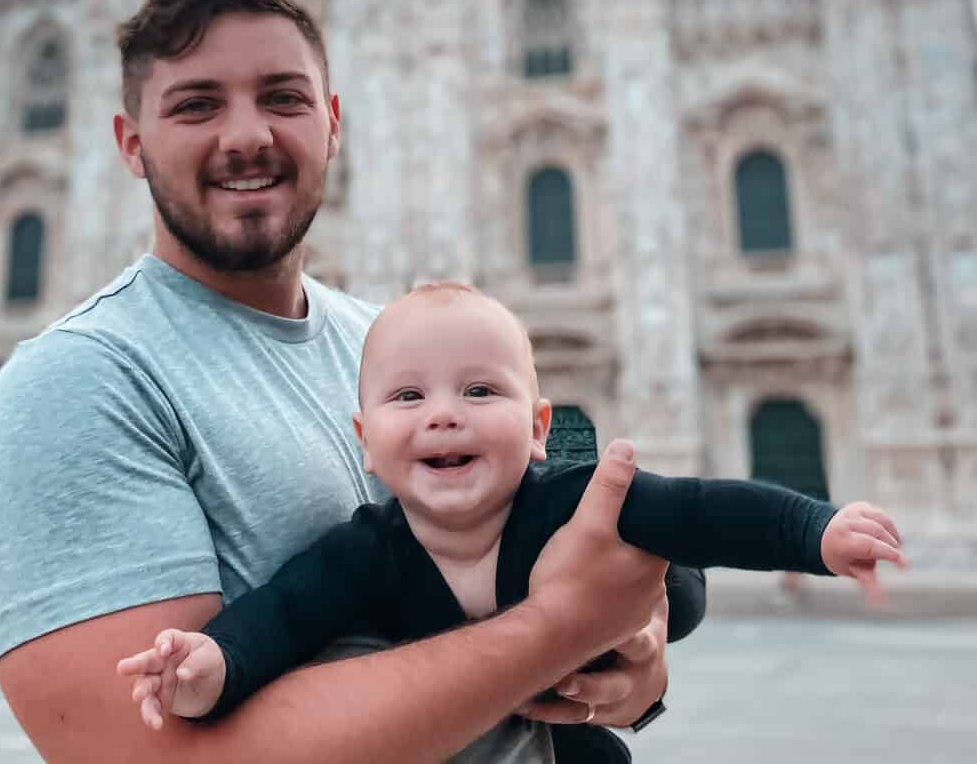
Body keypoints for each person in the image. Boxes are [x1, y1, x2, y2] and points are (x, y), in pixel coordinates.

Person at [0, 0, 696, 764]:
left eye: (283, 97)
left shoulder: (407, 345)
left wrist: (633, 656)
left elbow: (583, 525)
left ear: (333, 122)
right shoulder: (78, 385)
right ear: (131, 144)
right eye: (197, 105)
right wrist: (558, 628)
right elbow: (156, 758)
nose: (247, 137)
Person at [116, 282, 906, 761]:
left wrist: (819, 532)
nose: (444, 418)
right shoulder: (369, 548)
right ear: (365, 444)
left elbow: (706, 511)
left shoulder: (571, 501)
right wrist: (209, 667)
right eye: (407, 399)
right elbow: (281, 615)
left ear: (538, 429)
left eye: (480, 393)